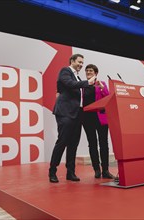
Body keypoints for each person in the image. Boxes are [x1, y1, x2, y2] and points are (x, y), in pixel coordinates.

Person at [49, 54, 96, 183]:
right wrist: (88, 82)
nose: (81, 65)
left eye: (82, 63)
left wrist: (94, 86)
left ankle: (71, 172)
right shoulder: (66, 71)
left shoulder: (77, 76)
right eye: (79, 62)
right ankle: (52, 171)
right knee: (62, 142)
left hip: (77, 114)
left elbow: (81, 92)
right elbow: (69, 84)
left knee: (73, 144)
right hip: (65, 113)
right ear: (72, 61)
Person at [82, 64, 115, 179]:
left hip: (100, 118)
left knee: (104, 144)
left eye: (90, 71)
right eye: (87, 71)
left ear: (96, 73)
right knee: (92, 144)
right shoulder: (83, 85)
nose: (88, 72)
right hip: (87, 118)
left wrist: (102, 88)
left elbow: (107, 97)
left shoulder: (101, 84)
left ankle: (105, 170)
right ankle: (96, 169)